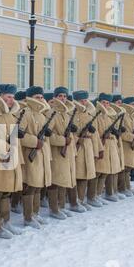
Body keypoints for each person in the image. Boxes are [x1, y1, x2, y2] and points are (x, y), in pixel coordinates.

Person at [0, 84, 24, 238]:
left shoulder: (12, 115)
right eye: (8, 96)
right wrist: (5, 147)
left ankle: (5, 222)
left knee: (7, 192)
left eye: (12, 97)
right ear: (0, 96)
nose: (11, 99)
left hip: (10, 159)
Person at [20, 86, 52, 228]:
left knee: (39, 186)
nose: (40, 99)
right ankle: (28, 217)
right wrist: (34, 142)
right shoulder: (26, 113)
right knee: (31, 186)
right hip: (30, 155)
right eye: (37, 97)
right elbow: (19, 135)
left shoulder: (42, 114)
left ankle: (35, 213)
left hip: (42, 154)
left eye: (41, 97)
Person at [46, 87, 78, 219]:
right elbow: (48, 134)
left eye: (64, 96)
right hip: (56, 152)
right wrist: (63, 141)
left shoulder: (67, 113)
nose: (63, 98)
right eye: (60, 96)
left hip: (67, 151)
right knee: (56, 181)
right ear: (54, 97)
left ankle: (62, 206)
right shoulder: (52, 113)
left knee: (65, 179)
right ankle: (54, 209)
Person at [72, 90, 101, 210]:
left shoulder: (90, 114)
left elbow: (95, 134)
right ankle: (75, 201)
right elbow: (69, 132)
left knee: (87, 174)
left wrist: (99, 149)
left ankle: (83, 199)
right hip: (78, 146)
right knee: (77, 175)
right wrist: (77, 140)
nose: (84, 102)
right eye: (81, 100)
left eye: (85, 100)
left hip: (88, 146)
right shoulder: (73, 114)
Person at [94, 94, 122, 203]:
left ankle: (101, 194)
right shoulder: (96, 115)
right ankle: (94, 195)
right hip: (102, 144)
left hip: (110, 145)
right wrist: (100, 146)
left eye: (107, 103)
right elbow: (96, 134)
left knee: (105, 172)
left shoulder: (107, 116)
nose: (106, 105)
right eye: (104, 102)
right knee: (98, 172)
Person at [118, 97, 134, 196]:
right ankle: (122, 188)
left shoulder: (132, 116)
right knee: (124, 168)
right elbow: (121, 133)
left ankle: (127, 186)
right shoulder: (123, 115)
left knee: (128, 168)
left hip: (132, 145)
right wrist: (132, 137)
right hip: (125, 145)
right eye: (132, 104)